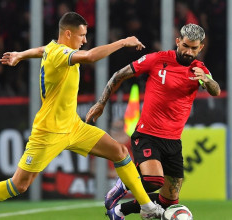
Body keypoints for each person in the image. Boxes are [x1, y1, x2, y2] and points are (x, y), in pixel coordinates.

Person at [0, 12, 164, 220]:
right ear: (68, 34)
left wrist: (21, 54)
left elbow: (42, 49)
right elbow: (90, 56)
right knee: (19, 184)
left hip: (73, 126)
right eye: (82, 36)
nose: (85, 40)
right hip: (49, 131)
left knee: (119, 151)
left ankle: (146, 206)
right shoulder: (60, 54)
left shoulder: (53, 48)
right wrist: (123, 42)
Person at [86, 23, 221, 220]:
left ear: (201, 48)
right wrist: (100, 103)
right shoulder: (158, 59)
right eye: (185, 45)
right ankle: (122, 184)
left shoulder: (199, 69)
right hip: (147, 134)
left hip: (173, 141)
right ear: (178, 42)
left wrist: (208, 81)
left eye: (194, 48)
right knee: (153, 180)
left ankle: (120, 211)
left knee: (169, 200)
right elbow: (119, 75)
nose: (188, 51)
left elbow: (215, 90)